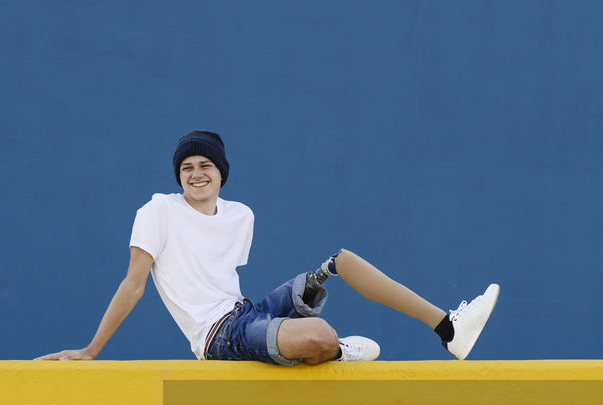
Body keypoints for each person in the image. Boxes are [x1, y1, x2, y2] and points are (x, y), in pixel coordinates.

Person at [38, 130, 499, 364]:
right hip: (218, 337)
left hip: (248, 312)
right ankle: (338, 351)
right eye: (187, 167)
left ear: (221, 172)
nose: (196, 173)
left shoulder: (241, 216)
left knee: (341, 261)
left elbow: (221, 279)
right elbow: (134, 285)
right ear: (178, 176)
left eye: (205, 165)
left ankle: (447, 328)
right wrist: (91, 350)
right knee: (319, 336)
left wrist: (263, 314)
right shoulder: (158, 211)